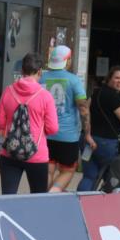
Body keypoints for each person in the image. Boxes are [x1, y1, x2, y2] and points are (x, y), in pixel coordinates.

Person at [0, 53, 58, 194]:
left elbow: (0, 122)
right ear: (40, 71)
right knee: (37, 199)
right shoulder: (45, 96)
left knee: (8, 198)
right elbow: (53, 128)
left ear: (22, 70)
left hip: (9, 153)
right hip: (37, 155)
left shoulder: (8, 91)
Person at [40, 45, 92, 192]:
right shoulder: (74, 81)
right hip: (68, 136)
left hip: (46, 134)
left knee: (48, 170)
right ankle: (52, 195)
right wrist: (87, 133)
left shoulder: (42, 78)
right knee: (67, 171)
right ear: (67, 60)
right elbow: (83, 109)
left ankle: (42, 197)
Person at [79, 66, 120, 191]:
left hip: (88, 140)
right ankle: (107, 206)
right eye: (117, 78)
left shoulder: (96, 93)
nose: (119, 81)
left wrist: (87, 133)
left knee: (89, 176)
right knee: (113, 176)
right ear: (109, 79)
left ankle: (81, 204)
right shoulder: (115, 98)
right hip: (106, 142)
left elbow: (86, 112)